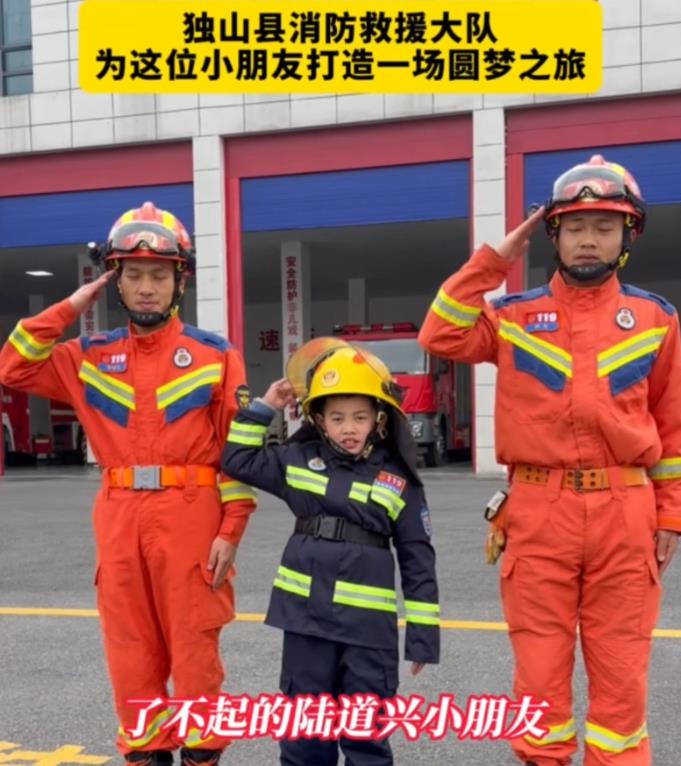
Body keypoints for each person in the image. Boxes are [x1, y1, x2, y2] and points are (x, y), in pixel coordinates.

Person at [418, 155, 681, 766]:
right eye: (575, 226)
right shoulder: (511, 316)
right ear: (553, 235)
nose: (589, 239)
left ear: (627, 237)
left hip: (626, 510)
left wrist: (671, 516)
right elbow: (439, 334)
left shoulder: (656, 319)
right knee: (538, 673)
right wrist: (494, 260)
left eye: (605, 227)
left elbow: (671, 426)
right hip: (538, 510)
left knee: (622, 675)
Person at [0, 202, 257, 766]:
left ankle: (201, 755)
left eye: (159, 276)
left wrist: (231, 529)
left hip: (192, 513)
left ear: (179, 282)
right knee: (130, 650)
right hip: (118, 515)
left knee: (194, 648)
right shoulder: (87, 356)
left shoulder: (215, 355)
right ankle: (147, 753)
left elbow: (238, 453)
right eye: (133, 275)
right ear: (115, 281)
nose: (146, 288)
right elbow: (12, 367)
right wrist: (73, 305)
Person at [221, 339, 440, 766]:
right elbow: (238, 459)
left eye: (360, 417)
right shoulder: (297, 460)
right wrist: (265, 406)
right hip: (306, 623)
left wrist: (422, 635)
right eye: (337, 417)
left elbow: (418, 559)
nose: (349, 428)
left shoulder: (398, 480)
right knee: (306, 735)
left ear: (379, 418)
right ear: (319, 420)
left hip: (368, 631)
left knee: (366, 736)